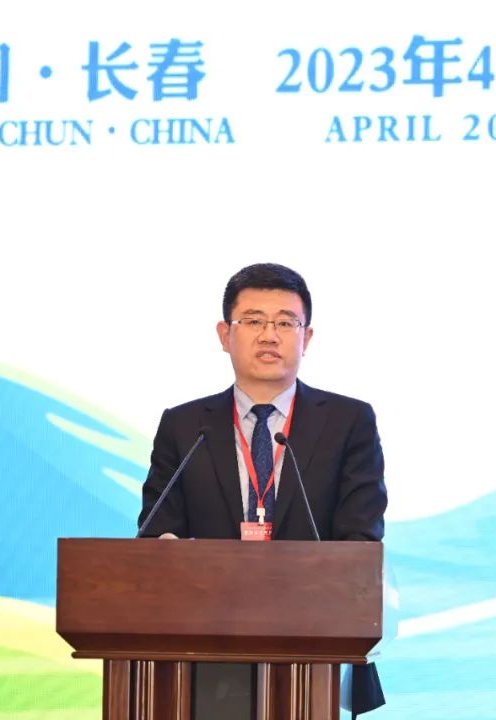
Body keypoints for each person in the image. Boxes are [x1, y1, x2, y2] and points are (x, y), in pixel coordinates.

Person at [138, 262, 388, 717]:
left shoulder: (349, 422)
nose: (269, 335)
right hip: (203, 655)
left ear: (306, 337)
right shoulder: (184, 426)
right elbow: (156, 532)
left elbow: (361, 539)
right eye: (253, 321)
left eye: (285, 323)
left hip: (314, 650)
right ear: (224, 334)